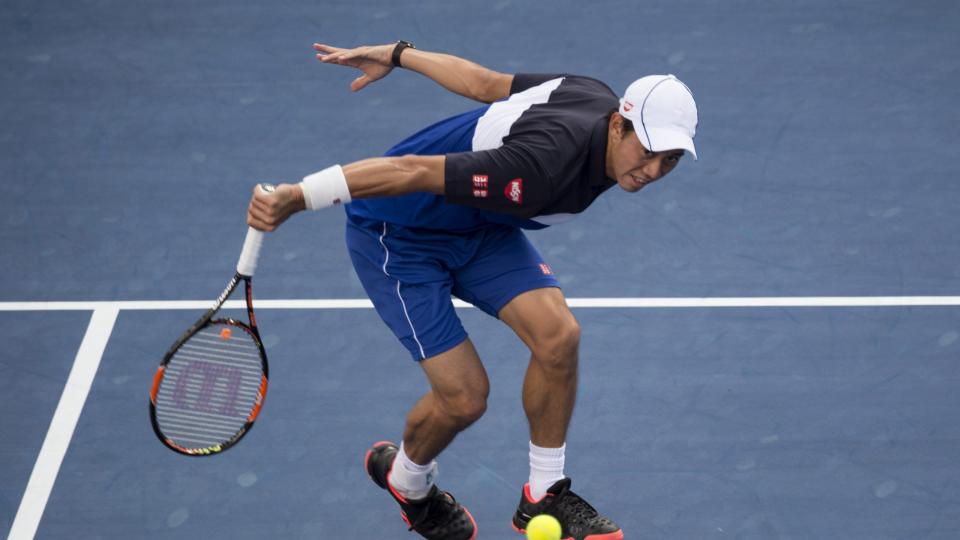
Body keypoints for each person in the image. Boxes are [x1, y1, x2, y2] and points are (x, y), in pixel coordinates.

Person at [246, 40, 698, 540]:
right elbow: (409, 170)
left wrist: (397, 54)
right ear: (617, 125)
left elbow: (483, 83)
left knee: (558, 336)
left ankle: (543, 495)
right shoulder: (539, 166)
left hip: (481, 229)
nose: (654, 171)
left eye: (671, 160)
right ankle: (407, 482)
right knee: (464, 398)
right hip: (400, 235)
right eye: (649, 151)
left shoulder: (588, 95)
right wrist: (299, 195)